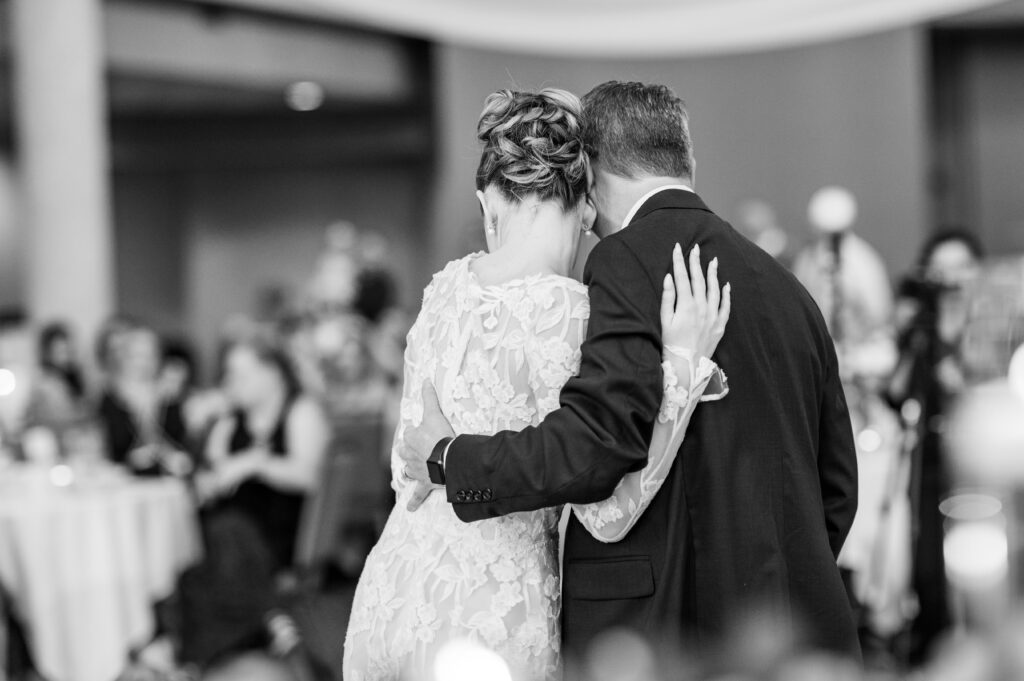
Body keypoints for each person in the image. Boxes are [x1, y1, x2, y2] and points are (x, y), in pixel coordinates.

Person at [403, 81, 860, 660]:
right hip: (795, 627)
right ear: (686, 161)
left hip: (667, 630)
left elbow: (598, 442)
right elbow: (837, 485)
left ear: (590, 170)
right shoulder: (788, 288)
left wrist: (451, 460)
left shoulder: (625, 258)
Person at [344, 88, 731, 680]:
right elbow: (607, 514)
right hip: (494, 612)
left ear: (488, 205)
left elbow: (408, 470)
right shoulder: (571, 312)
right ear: (586, 207)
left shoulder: (444, 290)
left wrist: (448, 459)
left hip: (394, 590)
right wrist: (682, 367)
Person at [888, 228, 983, 663]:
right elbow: (896, 390)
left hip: (977, 466)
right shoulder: (922, 326)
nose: (952, 279)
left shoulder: (991, 327)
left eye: (962, 267)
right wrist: (908, 334)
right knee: (928, 566)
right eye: (941, 269)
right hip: (927, 464)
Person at [200, 333, 329, 571]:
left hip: (281, 538)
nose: (231, 382)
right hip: (232, 536)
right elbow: (214, 471)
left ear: (273, 373)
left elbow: (310, 477)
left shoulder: (300, 411)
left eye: (241, 375)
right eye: (229, 374)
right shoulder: (230, 420)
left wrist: (255, 464)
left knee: (225, 531)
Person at [96, 323, 190, 475]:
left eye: (149, 356)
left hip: (165, 481)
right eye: (136, 356)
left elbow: (182, 445)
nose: (142, 363)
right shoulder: (111, 399)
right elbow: (106, 451)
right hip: (122, 480)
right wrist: (130, 461)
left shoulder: (169, 398)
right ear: (124, 358)